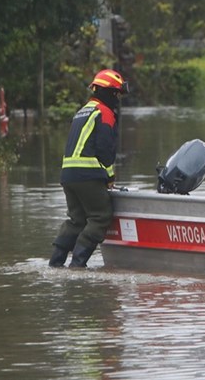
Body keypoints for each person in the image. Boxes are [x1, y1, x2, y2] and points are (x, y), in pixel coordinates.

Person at [48, 69, 129, 268]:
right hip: (88, 175)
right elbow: (105, 152)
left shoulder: (83, 110)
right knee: (100, 216)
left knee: (77, 220)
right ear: (109, 93)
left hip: (68, 175)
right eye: (117, 93)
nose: (118, 98)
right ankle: (77, 265)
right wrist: (110, 177)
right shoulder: (105, 112)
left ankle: (55, 263)